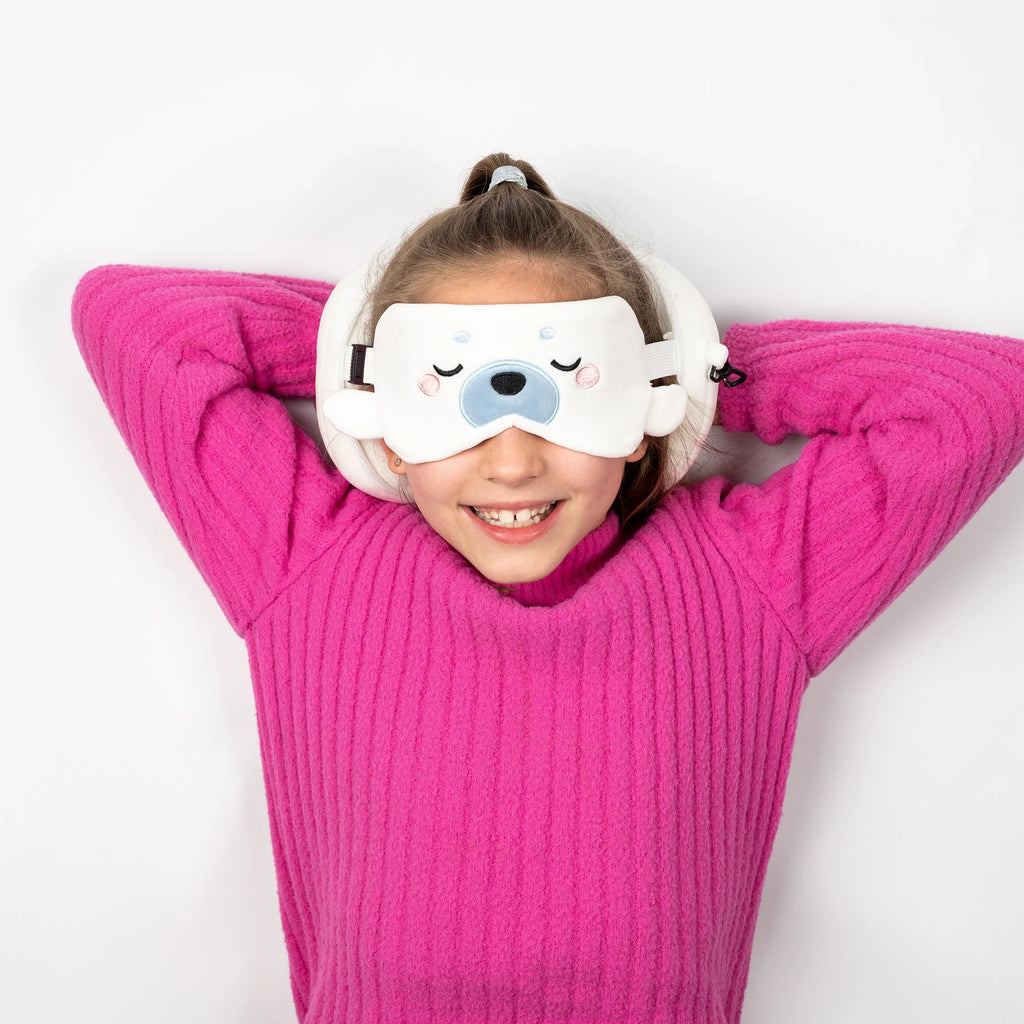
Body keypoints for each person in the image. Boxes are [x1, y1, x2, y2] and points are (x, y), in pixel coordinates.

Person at [72, 152, 1024, 1023]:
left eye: (570, 386)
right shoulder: (310, 558)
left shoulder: (746, 579)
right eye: (450, 391)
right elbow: (134, 320)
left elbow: (980, 399)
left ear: (643, 409)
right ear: (386, 423)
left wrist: (695, 369)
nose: (514, 464)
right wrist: (372, 352)